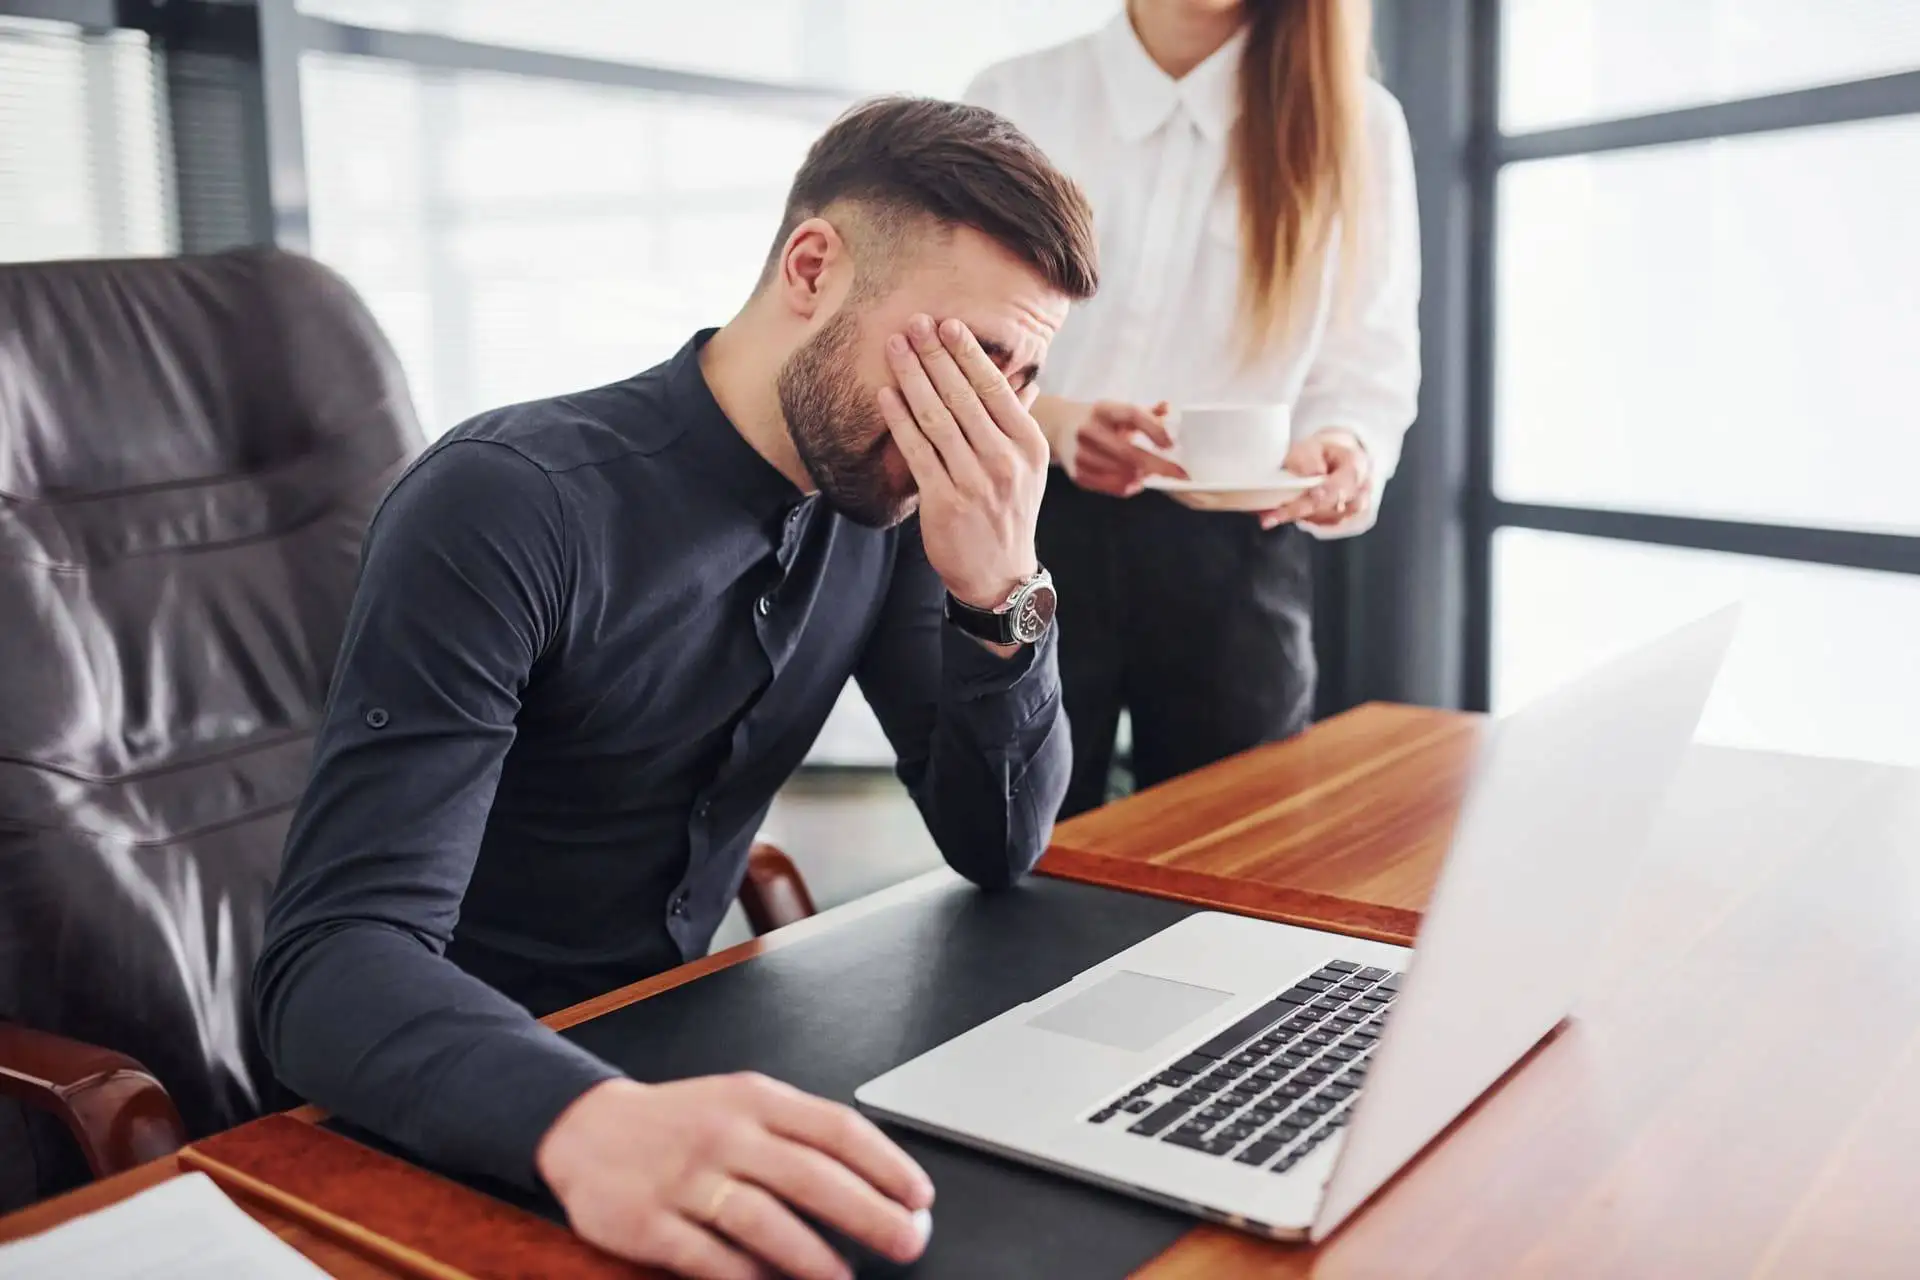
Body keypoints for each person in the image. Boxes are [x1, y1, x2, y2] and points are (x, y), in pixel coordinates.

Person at [252, 97, 1098, 1280]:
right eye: (961, 356)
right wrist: (582, 1118)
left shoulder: (886, 503)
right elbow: (326, 967)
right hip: (467, 1104)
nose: (987, 420)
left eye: (1020, 375)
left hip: (694, 1048)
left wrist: (1002, 588)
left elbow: (998, 840)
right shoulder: (507, 504)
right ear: (813, 267)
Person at [965, 0, 1419, 816]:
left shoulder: (1360, 125)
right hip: (1030, 527)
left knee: (1239, 850)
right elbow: (955, 338)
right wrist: (1061, 426)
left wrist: (1346, 444)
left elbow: (1368, 365)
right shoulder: (1016, 97)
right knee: (1020, 836)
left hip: (1239, 551)